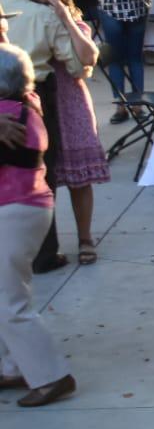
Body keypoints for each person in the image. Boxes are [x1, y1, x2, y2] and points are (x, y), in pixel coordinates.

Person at [0, 40, 77, 406]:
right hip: (26, 208)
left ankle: (50, 377)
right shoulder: (25, 103)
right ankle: (14, 365)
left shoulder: (9, 114)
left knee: (10, 302)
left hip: (14, 210)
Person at [1, 0, 88, 275]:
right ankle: (43, 253)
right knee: (40, 174)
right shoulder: (43, 15)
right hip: (33, 99)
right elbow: (77, 66)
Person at [30, 0, 106, 266]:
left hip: (71, 102)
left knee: (79, 178)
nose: (43, 9)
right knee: (44, 177)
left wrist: (64, 18)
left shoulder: (76, 24)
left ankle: (85, 238)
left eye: (47, 2)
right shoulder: (32, 23)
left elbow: (88, 57)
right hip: (42, 103)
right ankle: (46, 244)